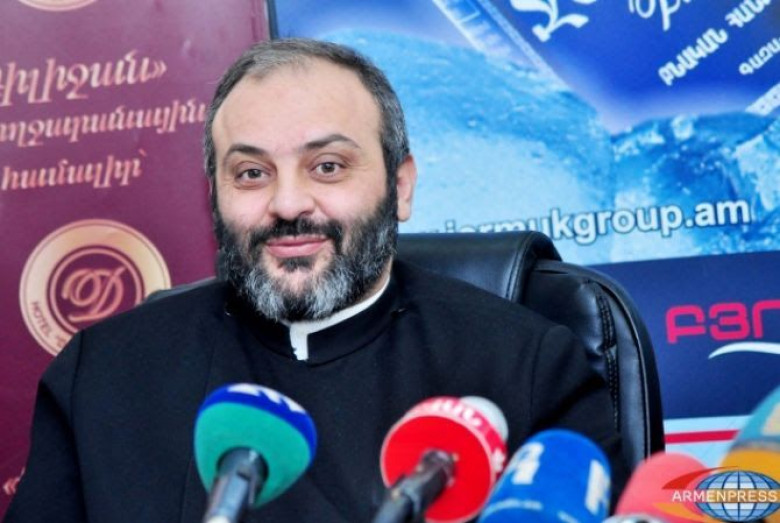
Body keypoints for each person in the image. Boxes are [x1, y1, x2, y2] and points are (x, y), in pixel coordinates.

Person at [5, 39, 628, 522]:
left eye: (327, 166)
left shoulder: (527, 367)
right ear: (214, 195)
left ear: (400, 187)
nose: (287, 203)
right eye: (251, 173)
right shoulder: (104, 375)